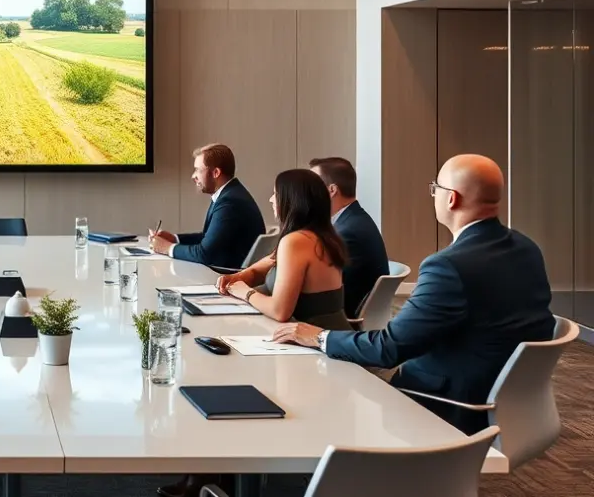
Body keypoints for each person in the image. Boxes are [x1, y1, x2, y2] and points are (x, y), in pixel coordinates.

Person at [273, 154, 555, 434]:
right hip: (503, 399)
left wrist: (319, 336)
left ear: (451, 199)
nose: (432, 195)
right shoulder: (527, 248)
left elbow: (388, 349)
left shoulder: (448, 266)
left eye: (435, 188)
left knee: (316, 405)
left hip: (446, 404)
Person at [213, 169, 352, 330]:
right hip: (331, 337)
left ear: (293, 201)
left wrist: (244, 292)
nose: (271, 199)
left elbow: (280, 311)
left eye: (275, 194)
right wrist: (238, 277)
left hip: (317, 345)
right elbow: (260, 270)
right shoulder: (321, 236)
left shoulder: (296, 242)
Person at [149, 143, 266, 268]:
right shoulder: (229, 194)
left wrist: (167, 248)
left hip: (225, 275)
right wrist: (175, 238)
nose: (193, 176)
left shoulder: (230, 202)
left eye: (198, 170)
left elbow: (204, 254)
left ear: (216, 172)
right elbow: (208, 238)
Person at [309, 157, 389, 318]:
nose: (308, 194)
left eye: (313, 187)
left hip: (341, 320)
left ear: (332, 190)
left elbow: (327, 292)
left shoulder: (347, 232)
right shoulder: (354, 219)